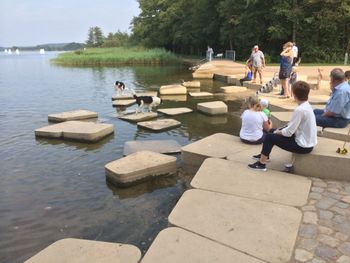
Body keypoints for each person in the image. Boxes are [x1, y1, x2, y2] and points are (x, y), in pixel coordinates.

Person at [248, 81, 317, 171]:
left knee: (269, 137)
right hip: (307, 142)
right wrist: (278, 130)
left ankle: (261, 164)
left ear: (294, 94)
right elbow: (292, 126)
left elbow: (288, 133)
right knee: (271, 131)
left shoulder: (300, 110)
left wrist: (278, 132)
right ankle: (265, 155)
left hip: (303, 146)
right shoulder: (306, 105)